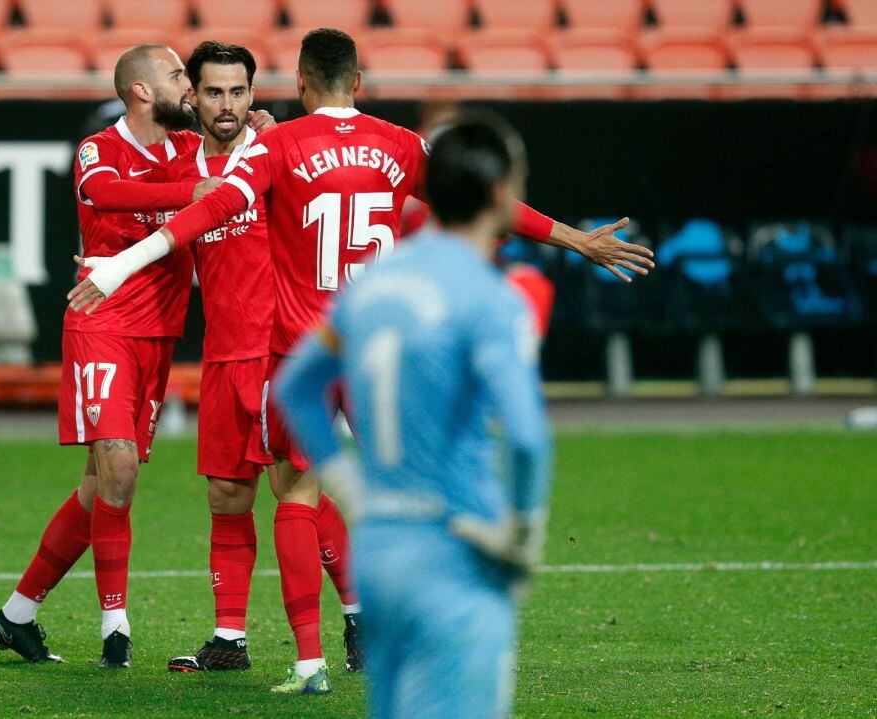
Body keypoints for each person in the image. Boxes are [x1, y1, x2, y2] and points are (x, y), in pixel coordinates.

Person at [66, 29, 651, 693]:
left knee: (299, 491)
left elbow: (208, 211)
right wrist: (577, 240)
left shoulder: (276, 146)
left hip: (303, 348)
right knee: (404, 493)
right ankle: (417, 626)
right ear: (360, 83)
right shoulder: (400, 145)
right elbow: (483, 202)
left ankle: (313, 657)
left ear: (300, 87)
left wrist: (120, 264)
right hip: (380, 353)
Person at [0, 43, 272, 669]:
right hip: (103, 324)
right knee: (119, 472)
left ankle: (17, 614)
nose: (192, 90)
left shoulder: (191, 145)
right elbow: (107, 194)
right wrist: (192, 188)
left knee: (98, 487)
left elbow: (245, 148)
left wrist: (262, 126)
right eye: (178, 77)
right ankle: (115, 629)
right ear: (143, 90)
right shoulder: (100, 149)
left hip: (159, 334)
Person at [276, 114, 553, 719]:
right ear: (502, 194)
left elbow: (295, 389)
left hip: (380, 549)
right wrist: (525, 533)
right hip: (457, 545)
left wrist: (348, 484)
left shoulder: (373, 286)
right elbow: (528, 439)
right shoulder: (490, 296)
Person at [155, 41, 363, 675]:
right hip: (222, 352)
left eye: (239, 92)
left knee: (293, 489)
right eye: (214, 92)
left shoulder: (276, 154)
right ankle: (230, 639)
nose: (227, 105)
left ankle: (360, 617)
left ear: (254, 92)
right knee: (226, 494)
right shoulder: (180, 165)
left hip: (278, 351)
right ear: (192, 95)